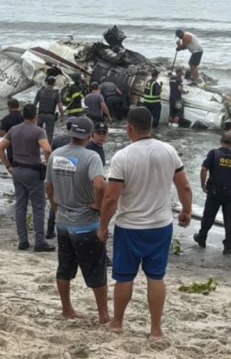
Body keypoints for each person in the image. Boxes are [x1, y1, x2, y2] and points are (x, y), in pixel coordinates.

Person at [98, 107, 192, 339]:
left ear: (129, 127)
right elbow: (184, 186)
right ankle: (156, 330)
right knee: (156, 277)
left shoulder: (123, 156)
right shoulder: (169, 151)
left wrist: (102, 226)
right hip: (160, 225)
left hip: (129, 226)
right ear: (151, 125)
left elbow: (111, 198)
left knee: (124, 277)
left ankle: (118, 322)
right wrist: (186, 211)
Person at [44, 117, 110, 323]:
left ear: (71, 133)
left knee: (64, 267)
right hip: (85, 223)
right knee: (95, 270)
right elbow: (99, 185)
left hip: (63, 221)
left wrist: (56, 208)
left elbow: (48, 185)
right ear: (90, 136)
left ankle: (67, 309)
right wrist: (99, 206)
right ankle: (103, 314)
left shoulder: (56, 154)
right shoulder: (91, 157)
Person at [0, 104, 55, 252]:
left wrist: (8, 166)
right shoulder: (38, 131)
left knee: (20, 205)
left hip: (17, 170)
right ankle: (40, 241)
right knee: (38, 207)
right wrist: (48, 164)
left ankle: (23, 240)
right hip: (33, 171)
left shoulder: (13, 130)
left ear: (23, 115)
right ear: (35, 117)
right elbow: (47, 149)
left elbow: (0, 148)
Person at [194, 132, 231, 255]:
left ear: (221, 141)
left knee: (208, 216)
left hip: (214, 191)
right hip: (230, 193)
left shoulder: (213, 153)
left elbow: (203, 169)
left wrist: (202, 184)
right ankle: (228, 246)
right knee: (229, 220)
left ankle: (202, 239)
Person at [34, 77, 63, 144]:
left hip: (40, 115)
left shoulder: (40, 91)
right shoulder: (56, 93)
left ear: (46, 82)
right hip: (50, 116)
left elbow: (34, 104)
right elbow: (60, 106)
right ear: (54, 83)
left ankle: (36, 148)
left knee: (38, 134)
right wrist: (62, 115)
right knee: (49, 135)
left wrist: (34, 115)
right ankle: (48, 150)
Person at [0, 99, 23, 166]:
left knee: (13, 164)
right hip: (24, 145)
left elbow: (1, 134)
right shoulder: (24, 117)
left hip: (11, 146)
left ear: (9, 107)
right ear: (18, 106)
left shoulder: (5, 119)